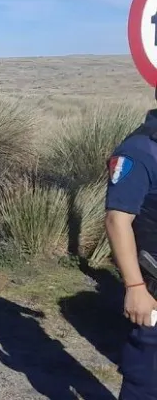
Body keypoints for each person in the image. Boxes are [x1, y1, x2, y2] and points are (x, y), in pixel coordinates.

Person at [104, 100, 157, 400]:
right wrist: (135, 286)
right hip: (153, 288)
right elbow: (116, 220)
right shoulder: (140, 150)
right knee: (147, 382)